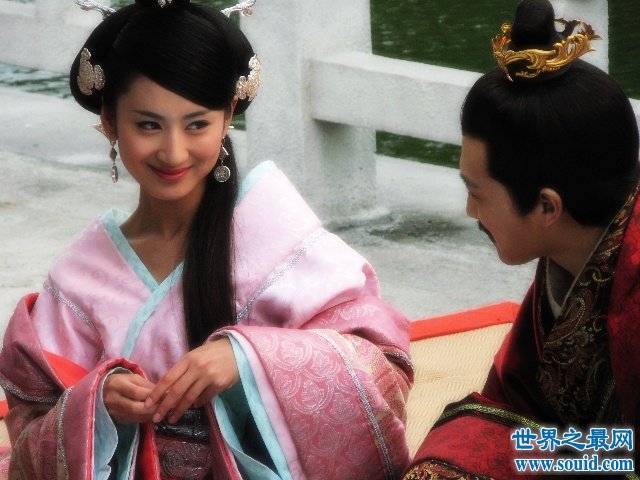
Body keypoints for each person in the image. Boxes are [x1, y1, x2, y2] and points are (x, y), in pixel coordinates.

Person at [0, 1, 413, 478]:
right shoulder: (82, 274)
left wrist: (249, 360)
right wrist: (94, 406)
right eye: (148, 125)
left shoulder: (274, 232)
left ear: (228, 114)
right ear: (110, 122)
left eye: (196, 124)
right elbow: (31, 426)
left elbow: (383, 367)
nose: (173, 151)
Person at [404, 0, 639, 478]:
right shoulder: (573, 248)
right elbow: (515, 404)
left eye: (477, 192)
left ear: (547, 207)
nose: (471, 211)